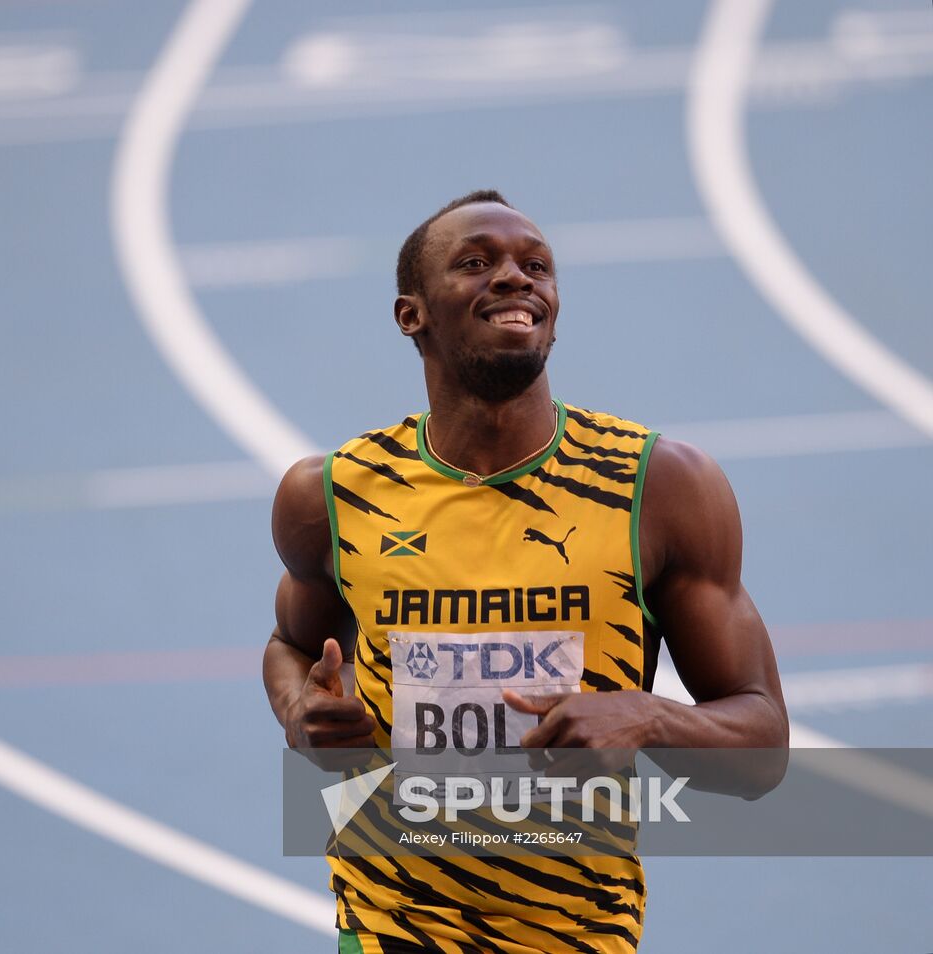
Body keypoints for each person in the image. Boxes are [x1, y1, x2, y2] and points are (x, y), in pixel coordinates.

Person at [262, 190, 788, 953]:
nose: (516, 277)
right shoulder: (332, 495)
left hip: (578, 933)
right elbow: (290, 646)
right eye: (478, 262)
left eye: (535, 265)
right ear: (411, 315)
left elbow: (763, 747)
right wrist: (298, 714)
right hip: (388, 927)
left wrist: (650, 716)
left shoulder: (658, 489)